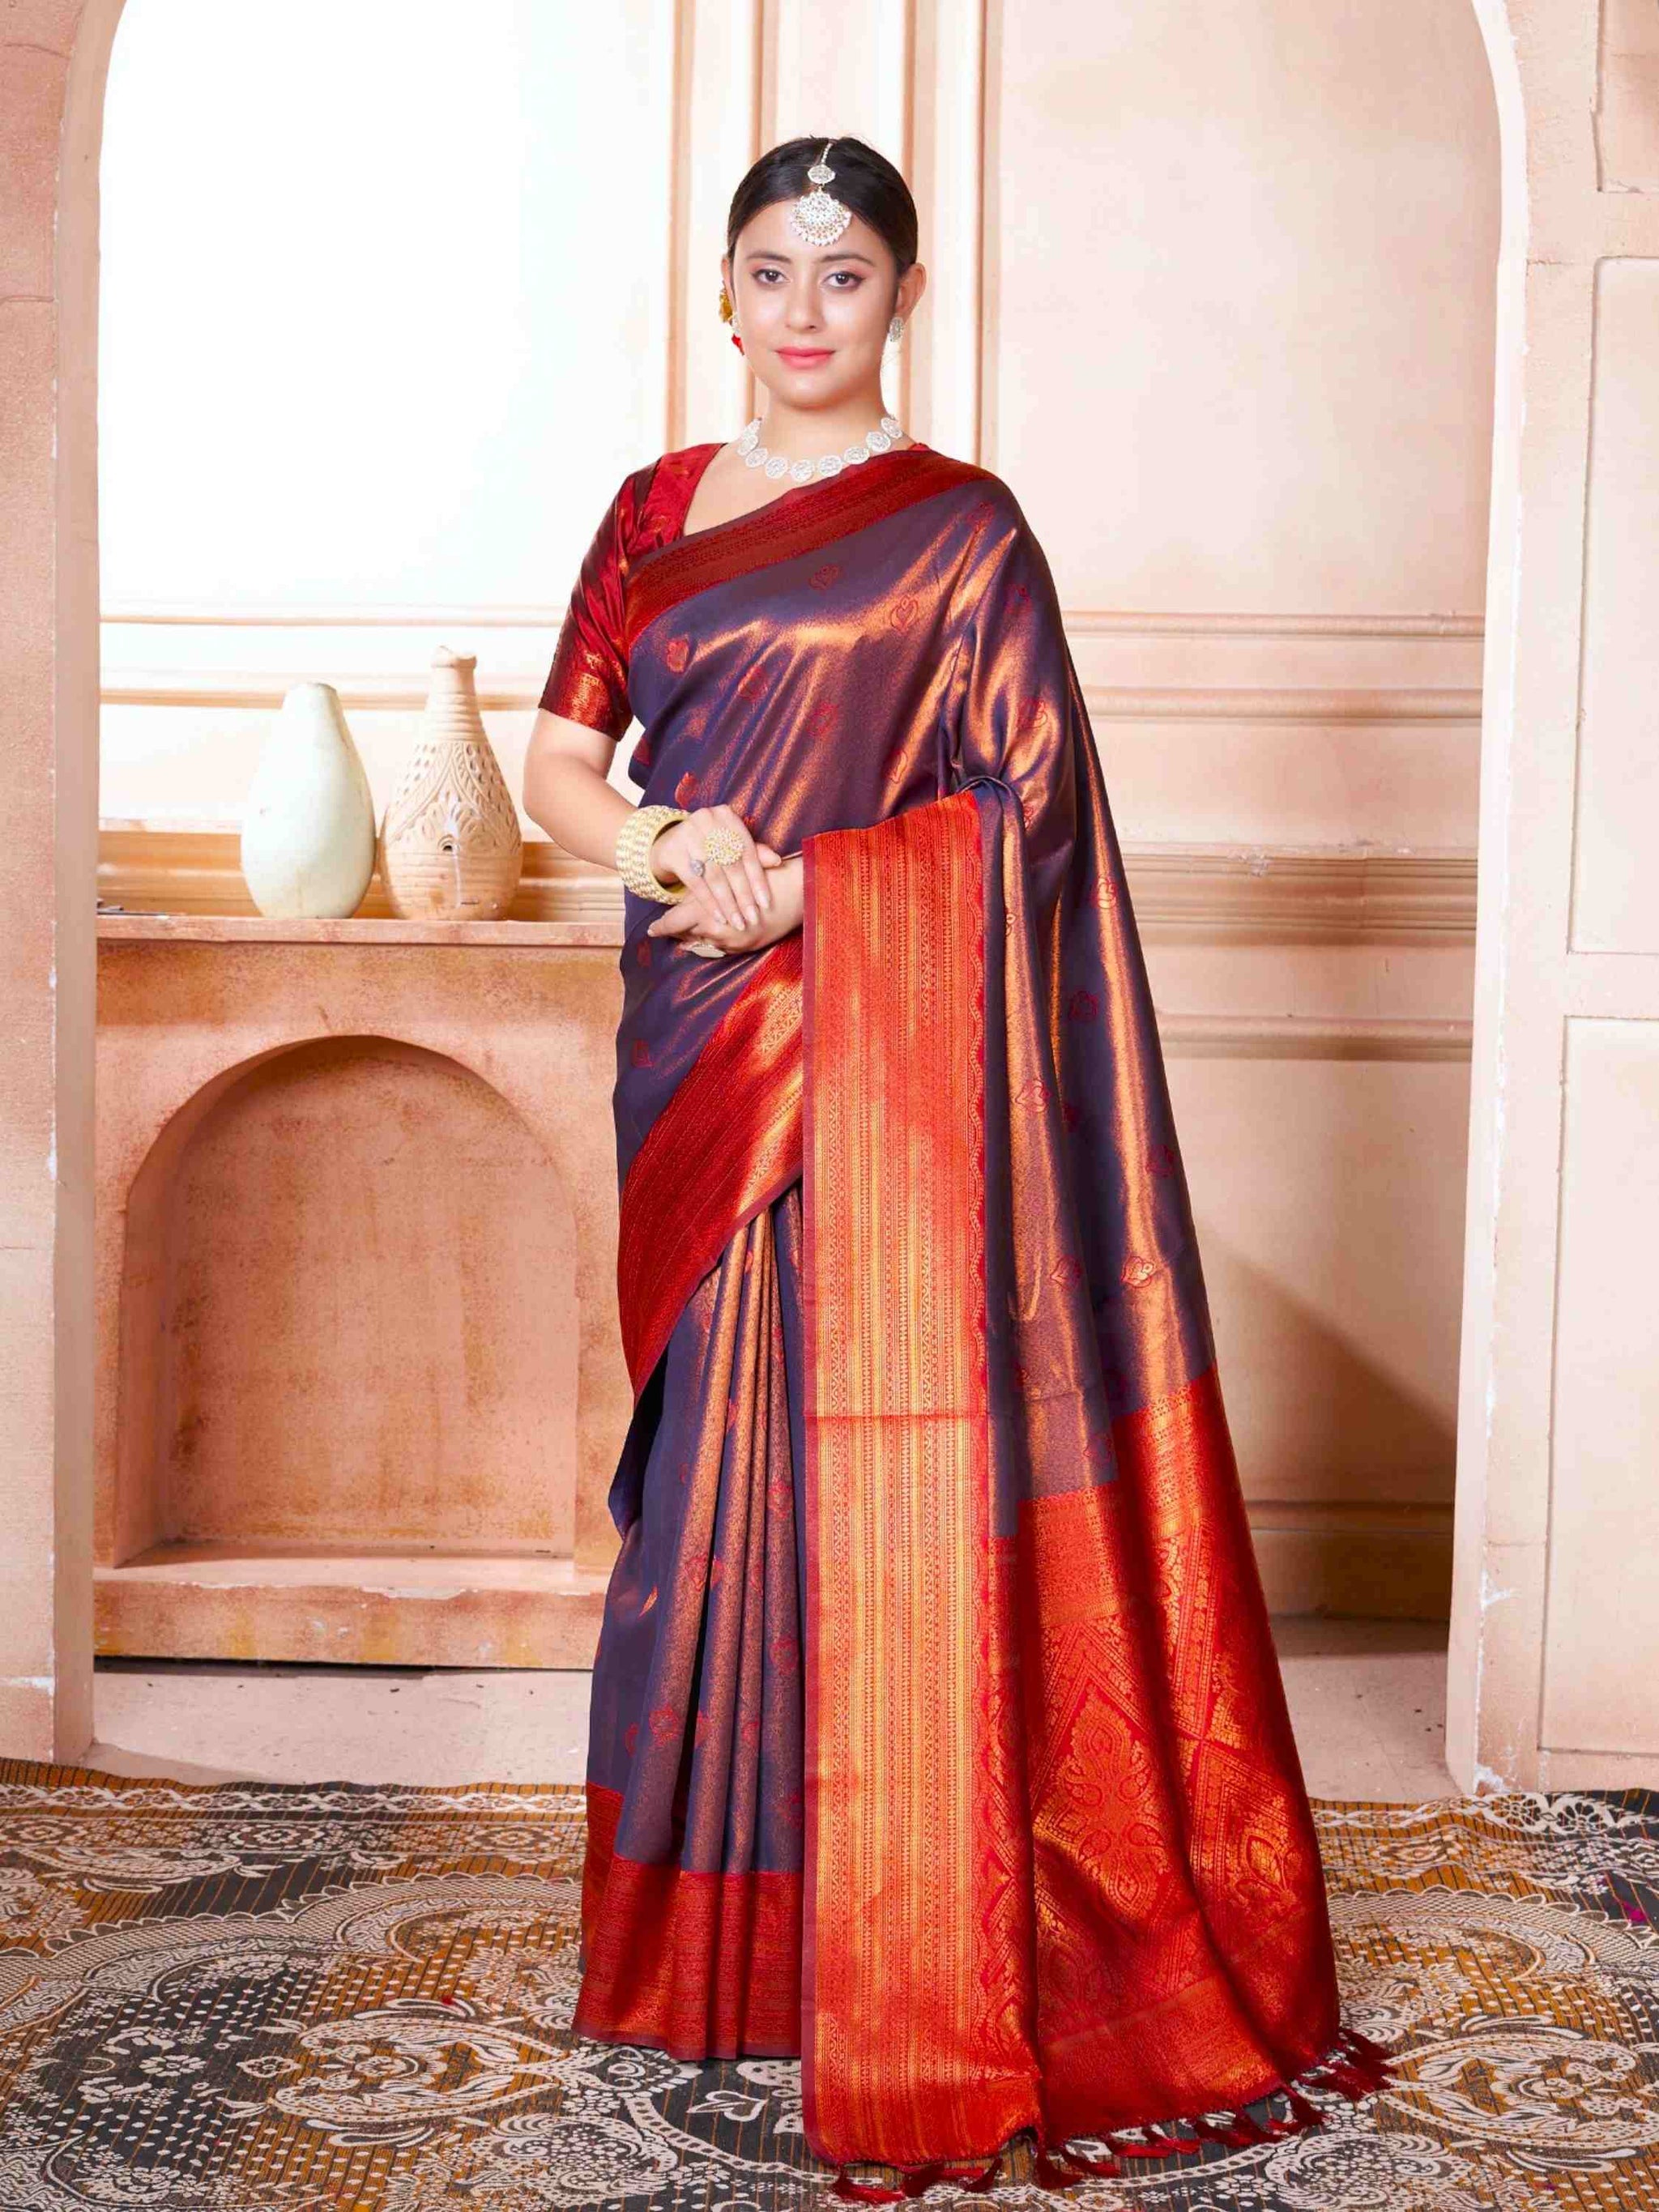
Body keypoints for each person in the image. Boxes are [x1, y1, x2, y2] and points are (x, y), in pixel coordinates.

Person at [521, 133, 1389, 2198]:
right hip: (701, 1046)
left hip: (883, 1073)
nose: (802, 309)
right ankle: (712, 1949)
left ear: (904, 296)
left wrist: (820, 886)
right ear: (720, 291)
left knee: (875, 1485)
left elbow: (1030, 819)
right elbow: (561, 761)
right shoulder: (649, 514)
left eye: (844, 274)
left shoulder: (964, 532)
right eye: (770, 270)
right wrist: (668, 844)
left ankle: (896, 1922)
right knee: (708, 1491)